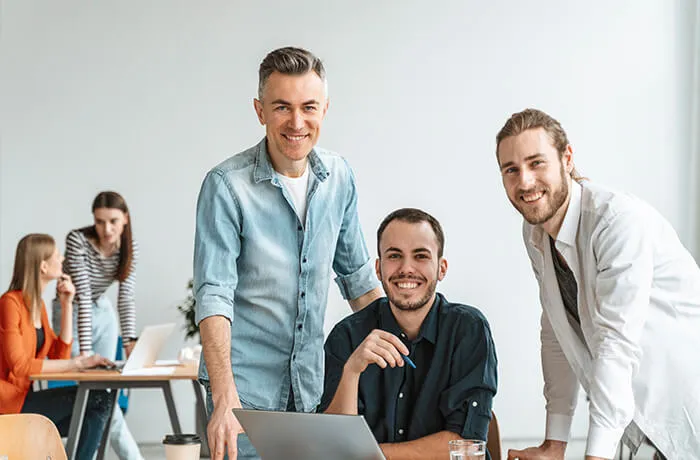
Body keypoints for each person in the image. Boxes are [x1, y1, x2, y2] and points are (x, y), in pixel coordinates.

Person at [194, 46, 382, 460]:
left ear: (325, 109)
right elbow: (214, 295)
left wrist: (407, 350)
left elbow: (358, 280)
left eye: (308, 107)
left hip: (311, 388)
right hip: (245, 396)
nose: (297, 123)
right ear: (260, 111)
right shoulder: (226, 186)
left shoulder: (339, 178)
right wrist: (224, 398)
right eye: (282, 107)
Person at [496, 108, 700, 460]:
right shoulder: (534, 232)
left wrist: (596, 456)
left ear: (567, 158)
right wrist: (554, 444)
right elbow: (556, 331)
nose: (525, 182)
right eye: (511, 170)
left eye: (536, 163)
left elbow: (615, 344)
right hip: (636, 420)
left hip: (683, 403)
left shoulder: (616, 221)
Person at [321, 208, 498, 460]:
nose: (406, 268)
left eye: (421, 256)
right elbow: (333, 447)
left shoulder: (468, 329)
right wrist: (352, 372)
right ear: (379, 269)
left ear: (441, 268)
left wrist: (368, 454)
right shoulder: (347, 335)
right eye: (395, 256)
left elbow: (464, 445)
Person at [0, 233, 114, 460]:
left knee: (96, 407)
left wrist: (67, 304)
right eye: (57, 255)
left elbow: (59, 354)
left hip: (24, 399)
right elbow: (20, 366)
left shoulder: (37, 305)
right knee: (97, 400)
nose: (62, 259)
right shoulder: (9, 303)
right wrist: (77, 363)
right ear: (43, 266)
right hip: (8, 404)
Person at [52, 191, 143, 460]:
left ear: (125, 218)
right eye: (100, 222)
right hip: (71, 311)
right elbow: (82, 293)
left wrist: (130, 341)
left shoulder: (129, 248)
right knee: (95, 392)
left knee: (104, 391)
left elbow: (126, 298)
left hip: (103, 311)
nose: (107, 229)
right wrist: (85, 355)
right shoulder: (78, 240)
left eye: (113, 221)